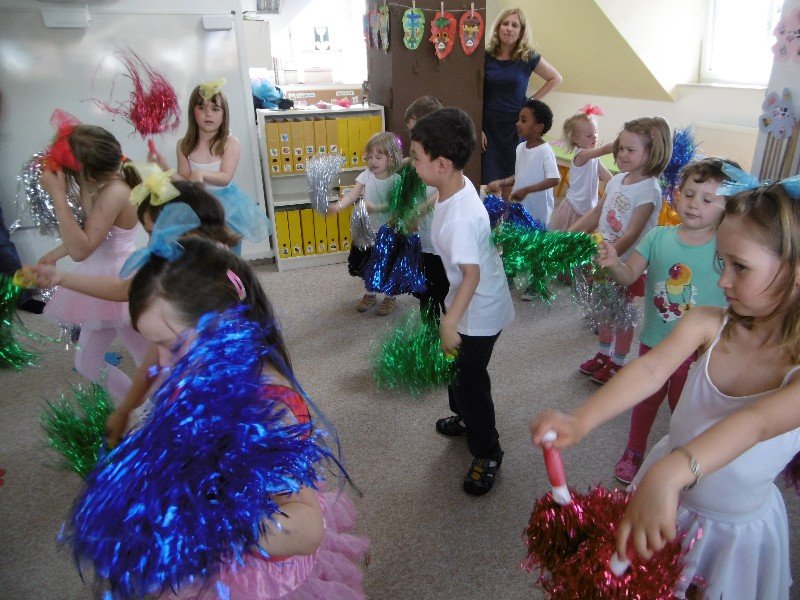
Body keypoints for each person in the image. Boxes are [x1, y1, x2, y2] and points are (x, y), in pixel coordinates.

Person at [531, 175, 800, 599]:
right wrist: (580, 419)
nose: (724, 281)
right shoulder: (707, 322)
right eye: (722, 263)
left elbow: (756, 423)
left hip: (730, 529)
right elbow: (651, 369)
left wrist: (674, 471)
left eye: (740, 267)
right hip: (663, 500)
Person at [125, 237, 368, 598]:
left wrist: (213, 525)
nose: (161, 362)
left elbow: (307, 528)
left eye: (170, 345)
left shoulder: (271, 410)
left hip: (255, 572)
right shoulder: (193, 370)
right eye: (154, 344)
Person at [594, 158, 733, 483]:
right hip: (655, 341)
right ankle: (634, 449)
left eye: (708, 199)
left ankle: (682, 455)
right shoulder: (657, 237)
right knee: (645, 399)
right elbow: (629, 276)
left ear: (727, 206)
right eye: (689, 194)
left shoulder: (726, 248)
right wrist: (614, 263)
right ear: (677, 194)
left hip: (699, 352)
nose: (694, 204)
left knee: (685, 408)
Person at [410, 108, 514, 496]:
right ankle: (465, 417)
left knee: (471, 381)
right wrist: (421, 210)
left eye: (416, 157)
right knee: (457, 371)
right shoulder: (454, 185)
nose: (412, 164)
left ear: (441, 164)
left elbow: (472, 275)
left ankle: (488, 452)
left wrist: (449, 321)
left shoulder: (461, 219)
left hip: (479, 312)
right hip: (466, 301)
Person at [38, 122, 149, 401]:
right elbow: (92, 236)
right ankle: (140, 408)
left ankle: (174, 412)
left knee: (150, 362)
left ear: (86, 175)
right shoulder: (103, 186)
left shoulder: (115, 191)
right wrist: (55, 254)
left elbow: (82, 250)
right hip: (102, 278)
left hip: (120, 281)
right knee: (87, 362)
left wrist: (58, 196)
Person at [571, 117, 672, 384]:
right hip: (604, 259)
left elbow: (632, 234)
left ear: (652, 153)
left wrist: (609, 259)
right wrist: (567, 237)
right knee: (604, 310)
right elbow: (596, 213)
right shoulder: (617, 181)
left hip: (626, 264)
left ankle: (618, 361)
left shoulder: (649, 190)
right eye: (620, 148)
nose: (622, 154)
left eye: (630, 150)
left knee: (622, 315)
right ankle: (603, 354)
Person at [153, 79, 270, 252]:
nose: (208, 114)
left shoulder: (230, 143)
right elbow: (185, 181)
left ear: (224, 114)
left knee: (226, 253)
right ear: (193, 112)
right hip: (195, 204)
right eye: (201, 108)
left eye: (215, 109)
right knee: (198, 251)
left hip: (225, 207)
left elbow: (225, 177)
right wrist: (164, 169)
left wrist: (201, 173)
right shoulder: (183, 144)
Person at [481, 7, 562, 186]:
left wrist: (530, 103)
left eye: (514, 25)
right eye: (505, 23)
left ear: (521, 31)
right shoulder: (486, 56)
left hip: (515, 128)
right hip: (489, 128)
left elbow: (555, 78)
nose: (509, 28)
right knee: (489, 182)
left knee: (511, 179)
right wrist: (478, 127)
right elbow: (475, 93)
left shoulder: (528, 57)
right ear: (498, 27)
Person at [331, 131, 403, 316]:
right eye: (369, 157)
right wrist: (339, 206)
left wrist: (376, 208)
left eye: (378, 157)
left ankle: (390, 296)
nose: (373, 161)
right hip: (367, 230)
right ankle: (370, 293)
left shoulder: (396, 179)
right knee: (368, 262)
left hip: (388, 231)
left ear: (391, 157)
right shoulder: (366, 175)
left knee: (387, 264)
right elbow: (352, 195)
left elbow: (395, 205)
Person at [404, 95, 448, 318]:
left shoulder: (445, 154)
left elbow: (446, 189)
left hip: (442, 240)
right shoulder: (418, 155)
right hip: (424, 239)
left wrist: (421, 210)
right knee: (426, 291)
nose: (413, 137)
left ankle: (452, 329)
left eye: (416, 131)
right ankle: (429, 330)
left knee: (445, 290)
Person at [486, 98, 559, 228]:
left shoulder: (545, 151)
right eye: (519, 119)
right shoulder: (520, 148)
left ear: (538, 127)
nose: (518, 123)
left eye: (523, 120)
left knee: (533, 239)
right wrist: (501, 182)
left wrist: (526, 190)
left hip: (537, 212)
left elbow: (554, 179)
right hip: (519, 206)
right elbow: (520, 175)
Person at [549, 106, 613, 231]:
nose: (595, 137)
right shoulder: (581, 155)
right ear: (575, 139)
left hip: (589, 206)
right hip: (574, 206)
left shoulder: (594, 157)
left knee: (584, 237)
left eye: (595, 132)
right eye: (589, 135)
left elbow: (606, 174)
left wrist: (616, 186)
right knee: (569, 237)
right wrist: (622, 143)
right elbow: (603, 150)